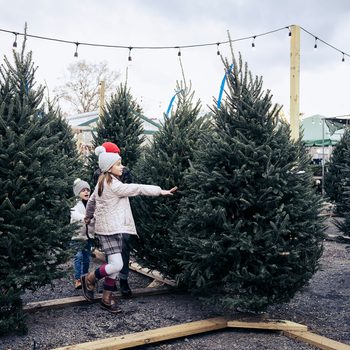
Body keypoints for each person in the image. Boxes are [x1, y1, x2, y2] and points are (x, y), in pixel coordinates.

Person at [82, 146, 177, 313]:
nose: (122, 167)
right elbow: (137, 188)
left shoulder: (101, 183)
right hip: (109, 230)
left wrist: (88, 216)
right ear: (109, 168)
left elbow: (91, 202)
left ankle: (106, 298)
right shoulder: (114, 186)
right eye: (119, 164)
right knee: (117, 264)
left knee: (114, 264)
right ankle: (90, 278)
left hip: (113, 229)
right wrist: (160, 191)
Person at [93, 142, 133, 298]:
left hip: (122, 216)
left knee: (124, 246)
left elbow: (129, 190)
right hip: (108, 217)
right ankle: (110, 283)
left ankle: (123, 280)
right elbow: (97, 195)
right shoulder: (98, 173)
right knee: (112, 251)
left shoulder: (125, 171)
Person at [70, 178, 95, 289]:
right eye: (83, 190)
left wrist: (92, 219)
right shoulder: (75, 205)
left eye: (87, 190)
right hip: (77, 236)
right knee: (78, 256)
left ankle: (85, 277)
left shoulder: (91, 204)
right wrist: (84, 218)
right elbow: (74, 214)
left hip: (88, 236)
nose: (86, 192)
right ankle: (77, 279)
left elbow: (95, 217)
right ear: (78, 193)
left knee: (86, 258)